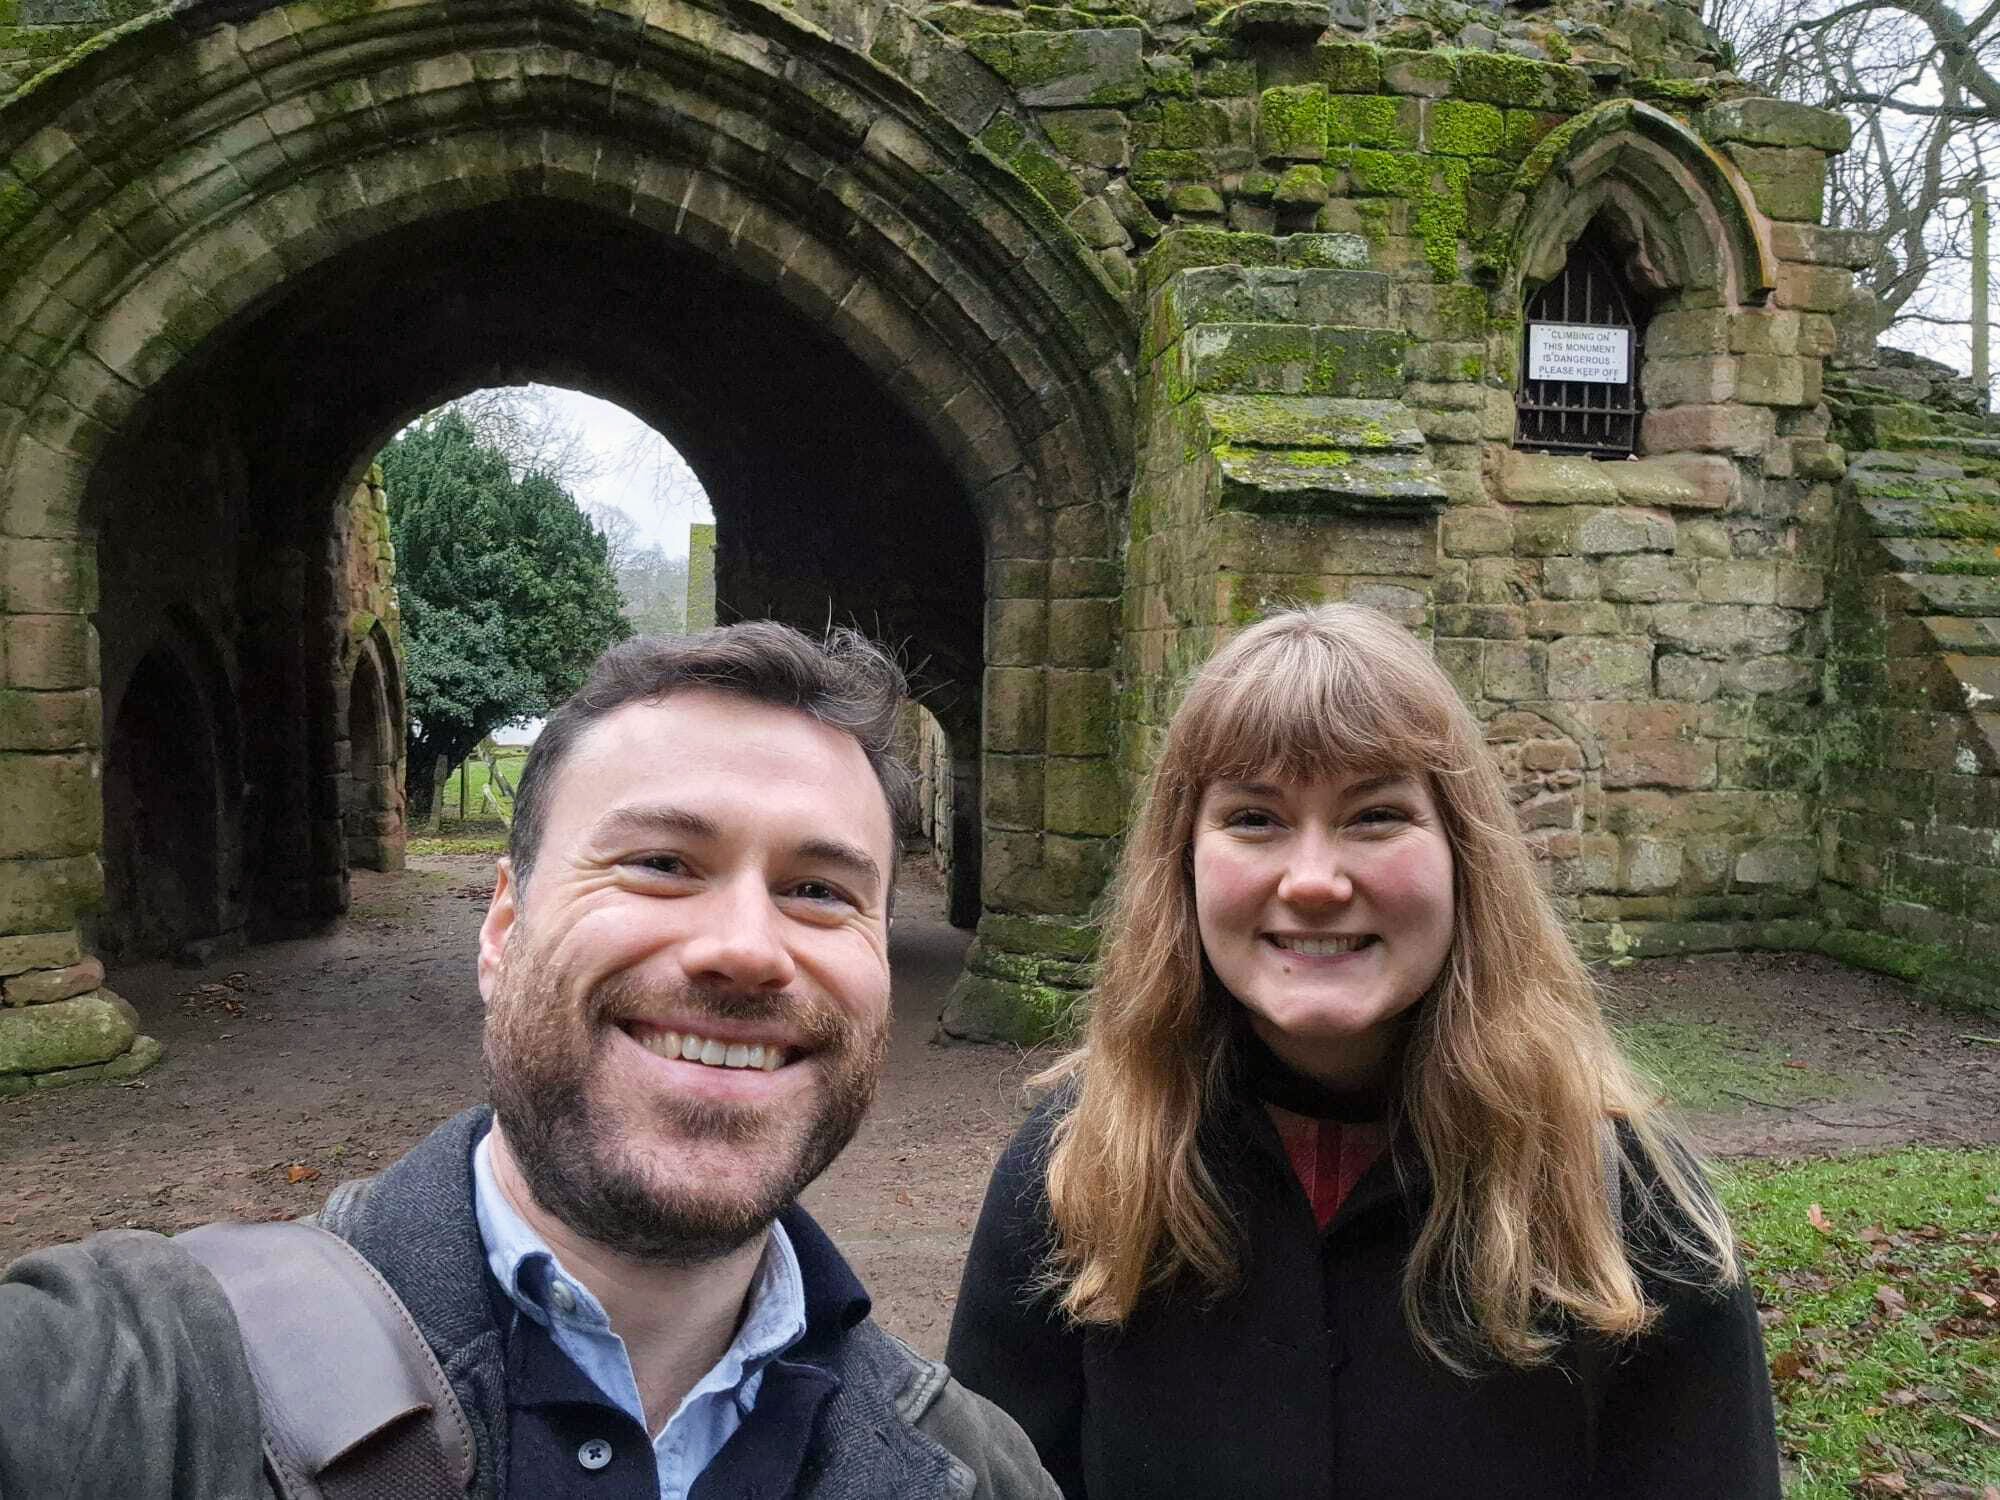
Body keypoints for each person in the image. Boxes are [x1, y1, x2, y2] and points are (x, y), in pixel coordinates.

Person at [2, 622, 1058, 1500]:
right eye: (659, 864)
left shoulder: (975, 1472)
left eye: (820, 890)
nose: (744, 946)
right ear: (502, 929)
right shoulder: (127, 1383)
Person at [945, 603, 1782, 1500]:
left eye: (1376, 815)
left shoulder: (1631, 1208)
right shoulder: (1072, 1175)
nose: (1313, 881)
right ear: (1181, 863)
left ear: (1464, 854)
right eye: (1255, 818)